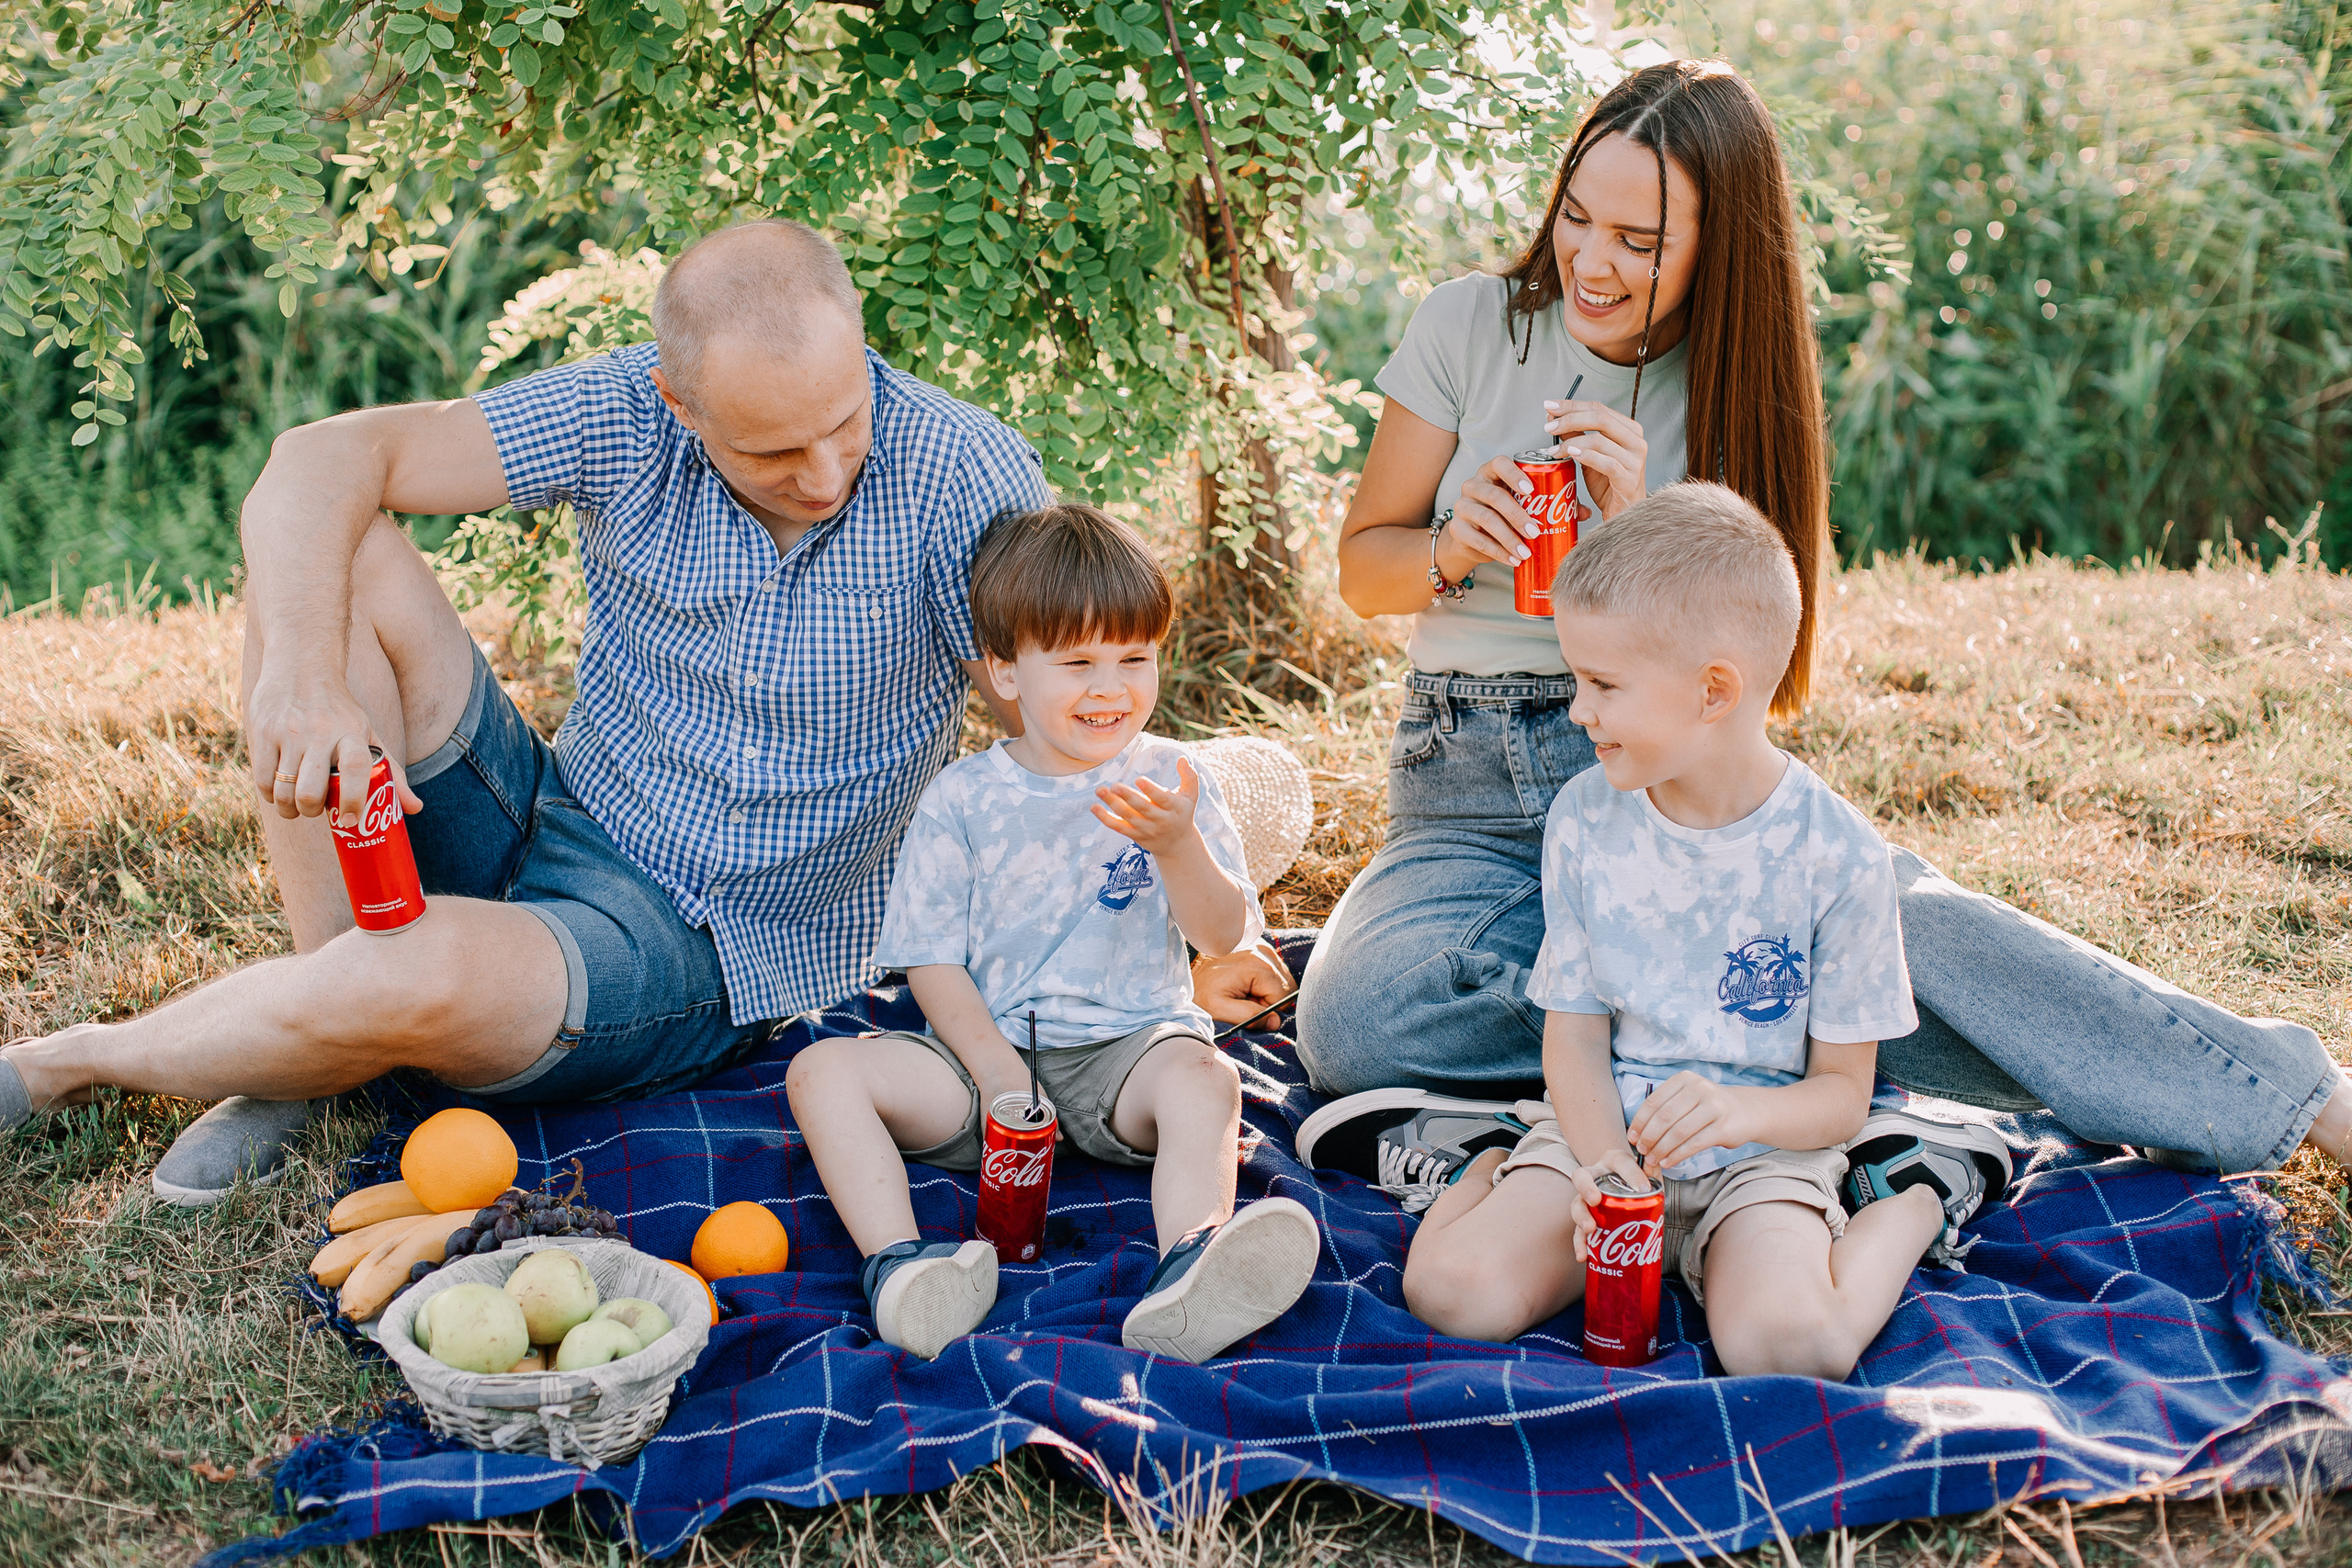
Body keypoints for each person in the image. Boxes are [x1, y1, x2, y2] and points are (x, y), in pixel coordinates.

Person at [1289, 57, 2349, 1192]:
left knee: (1907, 925)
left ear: (1717, 247)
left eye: (1639, 244)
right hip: (1469, 787)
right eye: (1575, 218)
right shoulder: (1467, 326)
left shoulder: (1738, 383)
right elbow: (1363, 571)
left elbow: (1756, 663)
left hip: (1672, 771)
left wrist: (1644, 533)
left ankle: (2294, 1094)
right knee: (1356, 1021)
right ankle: (1753, 1041)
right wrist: (1452, 548)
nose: (1592, 263)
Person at [0, 220, 1064, 1205]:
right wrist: (304, 680)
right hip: (554, 804)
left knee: (410, 966)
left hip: (700, 939)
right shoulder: (626, 413)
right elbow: (316, 460)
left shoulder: (963, 474)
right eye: (774, 453)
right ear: (679, 404)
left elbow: (1057, 724)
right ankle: (323, 1043)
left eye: (844, 423)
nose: (826, 473)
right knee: (334, 556)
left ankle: (65, 1065)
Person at [1394, 485, 2012, 1376]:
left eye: (1602, 684)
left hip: (1764, 1153)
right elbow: (1573, 1033)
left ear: (1712, 690)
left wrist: (1740, 1113)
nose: (1578, 710)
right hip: (1605, 1139)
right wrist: (1603, 1164)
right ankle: (1484, 1164)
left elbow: (1840, 1093)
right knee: (1452, 1294)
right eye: (1577, 679)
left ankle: (1914, 1201)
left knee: (1792, 1351)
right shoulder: (1584, 819)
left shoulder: (1836, 855)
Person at [783, 504, 1319, 1362]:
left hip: (1129, 1052)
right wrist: (995, 1071)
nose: (1111, 688)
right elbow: (930, 959)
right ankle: (902, 1267)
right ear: (1005, 670)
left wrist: (1178, 845)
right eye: (1077, 662)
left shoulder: (1174, 779)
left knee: (1207, 1081)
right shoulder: (964, 800)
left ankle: (1191, 1263)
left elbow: (1221, 937)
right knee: (820, 1070)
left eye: (1134, 658)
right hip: (977, 1060)